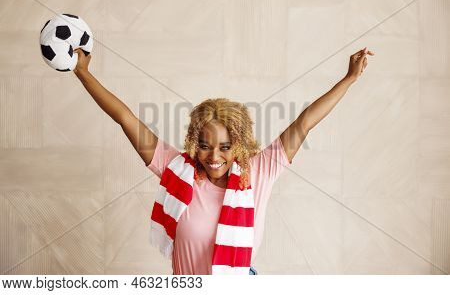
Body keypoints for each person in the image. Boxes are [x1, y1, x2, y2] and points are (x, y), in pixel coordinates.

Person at [73, 47, 374, 275]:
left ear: (239, 145)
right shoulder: (177, 170)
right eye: (204, 146)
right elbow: (125, 118)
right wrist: (83, 72)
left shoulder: (257, 172)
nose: (213, 157)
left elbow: (305, 122)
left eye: (225, 147)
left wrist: (349, 78)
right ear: (194, 142)